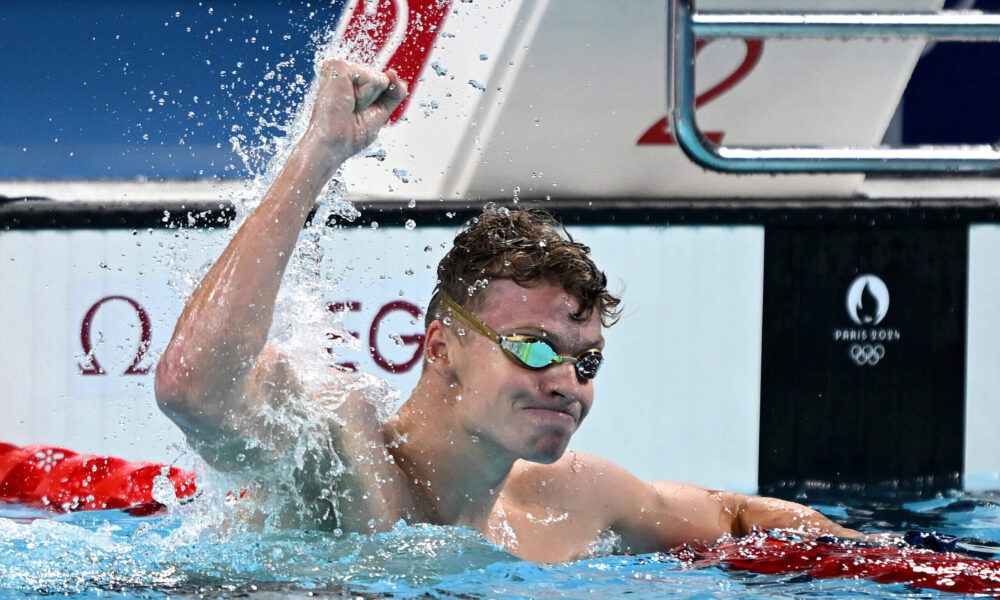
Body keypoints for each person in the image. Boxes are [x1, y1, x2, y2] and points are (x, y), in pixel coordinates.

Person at [155, 58, 860, 562]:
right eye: (532, 346)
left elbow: (737, 519)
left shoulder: (571, 501)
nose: (567, 382)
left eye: (585, 360)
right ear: (439, 348)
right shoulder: (341, 457)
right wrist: (317, 159)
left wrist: (879, 559)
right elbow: (191, 385)